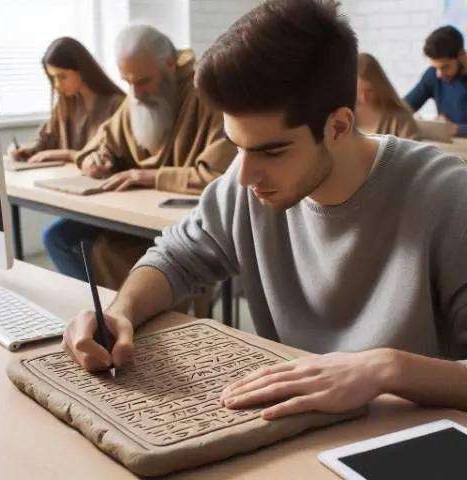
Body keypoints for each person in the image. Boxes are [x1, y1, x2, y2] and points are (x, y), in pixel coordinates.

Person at [64, 0, 467, 421]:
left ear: (339, 126)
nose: (244, 176)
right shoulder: (248, 179)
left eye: (271, 151)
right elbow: (174, 258)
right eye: (237, 145)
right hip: (290, 432)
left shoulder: (446, 196)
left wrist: (387, 368)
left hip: (402, 439)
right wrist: (118, 314)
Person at [57, 23, 236, 292]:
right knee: (58, 235)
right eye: (127, 83)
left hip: (181, 223)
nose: (135, 94)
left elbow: (218, 176)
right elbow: (98, 146)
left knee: (93, 248)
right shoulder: (135, 95)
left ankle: (122, 315)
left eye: (142, 82)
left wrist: (147, 175)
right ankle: (106, 315)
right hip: (131, 216)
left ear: (170, 65)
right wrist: (97, 160)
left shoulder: (206, 93)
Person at [8, 37, 125, 282]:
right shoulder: (65, 103)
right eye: (52, 78)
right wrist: (27, 150)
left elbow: (110, 158)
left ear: (82, 69)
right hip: (76, 196)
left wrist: (65, 154)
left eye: (62, 76)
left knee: (55, 238)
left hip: (107, 200)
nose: (57, 84)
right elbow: (45, 139)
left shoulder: (117, 104)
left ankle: (97, 303)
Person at [405, 25, 467, 137]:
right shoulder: (433, 75)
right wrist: (410, 117)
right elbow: (402, 106)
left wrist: (457, 129)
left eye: (445, 67)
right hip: (450, 149)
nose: (439, 74)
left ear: (462, 56)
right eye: (436, 67)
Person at [356, 53, 419, 139]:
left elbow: (415, 150)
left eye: (369, 91)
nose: (364, 98)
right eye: (358, 92)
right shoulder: (343, 117)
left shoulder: (399, 120)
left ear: (379, 87)